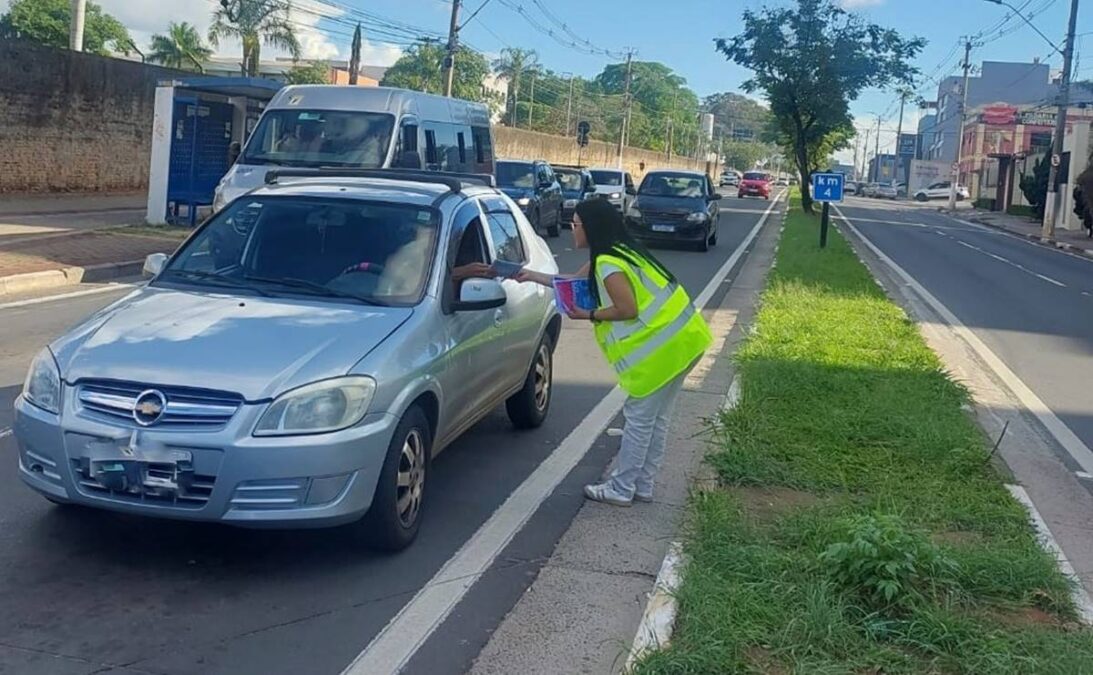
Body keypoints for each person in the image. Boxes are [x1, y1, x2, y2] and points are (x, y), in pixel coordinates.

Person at [516, 199, 713, 506]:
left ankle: (621, 489)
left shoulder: (608, 264)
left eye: (576, 223)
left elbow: (627, 309)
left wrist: (589, 315)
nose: (572, 228)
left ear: (591, 227)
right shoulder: (619, 251)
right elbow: (572, 282)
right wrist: (530, 276)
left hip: (663, 350)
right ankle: (643, 484)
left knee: (639, 418)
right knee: (656, 419)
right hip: (686, 340)